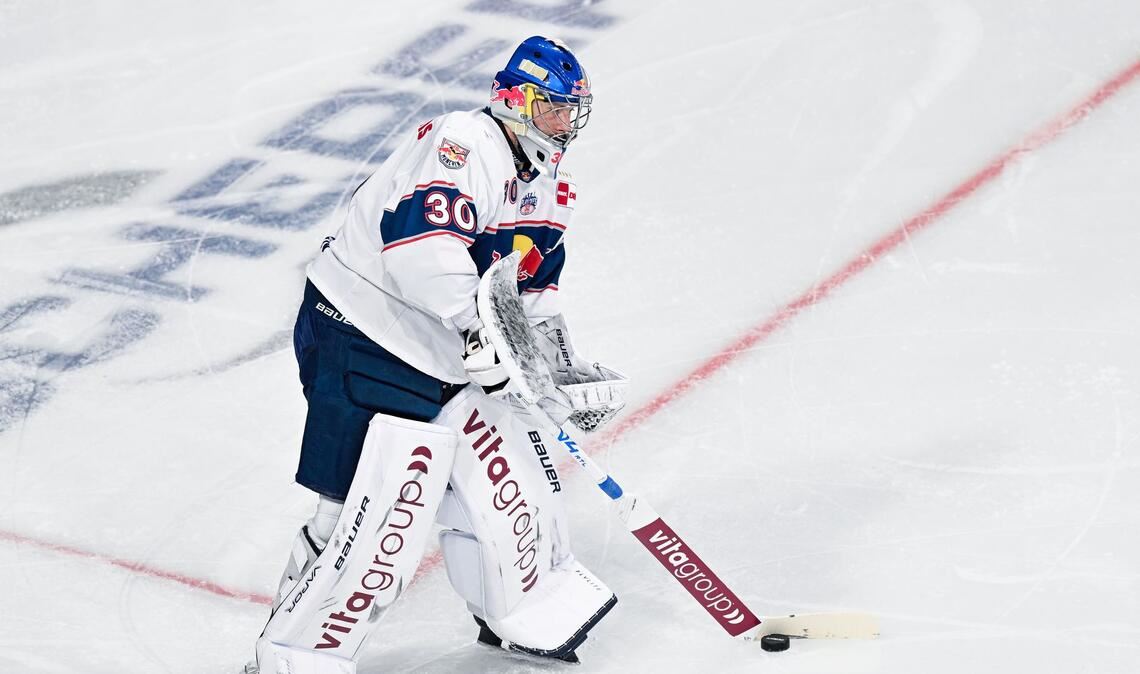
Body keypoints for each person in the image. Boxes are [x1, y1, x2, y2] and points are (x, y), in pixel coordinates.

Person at [249, 36, 629, 674]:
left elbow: (529, 288)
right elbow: (420, 254)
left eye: (571, 111)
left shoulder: (548, 184)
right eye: (552, 109)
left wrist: (554, 366)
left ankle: (522, 607)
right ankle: (296, 655)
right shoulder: (463, 145)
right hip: (365, 334)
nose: (564, 125)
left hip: (449, 348)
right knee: (369, 512)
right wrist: (482, 335)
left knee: (512, 479)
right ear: (514, 102)